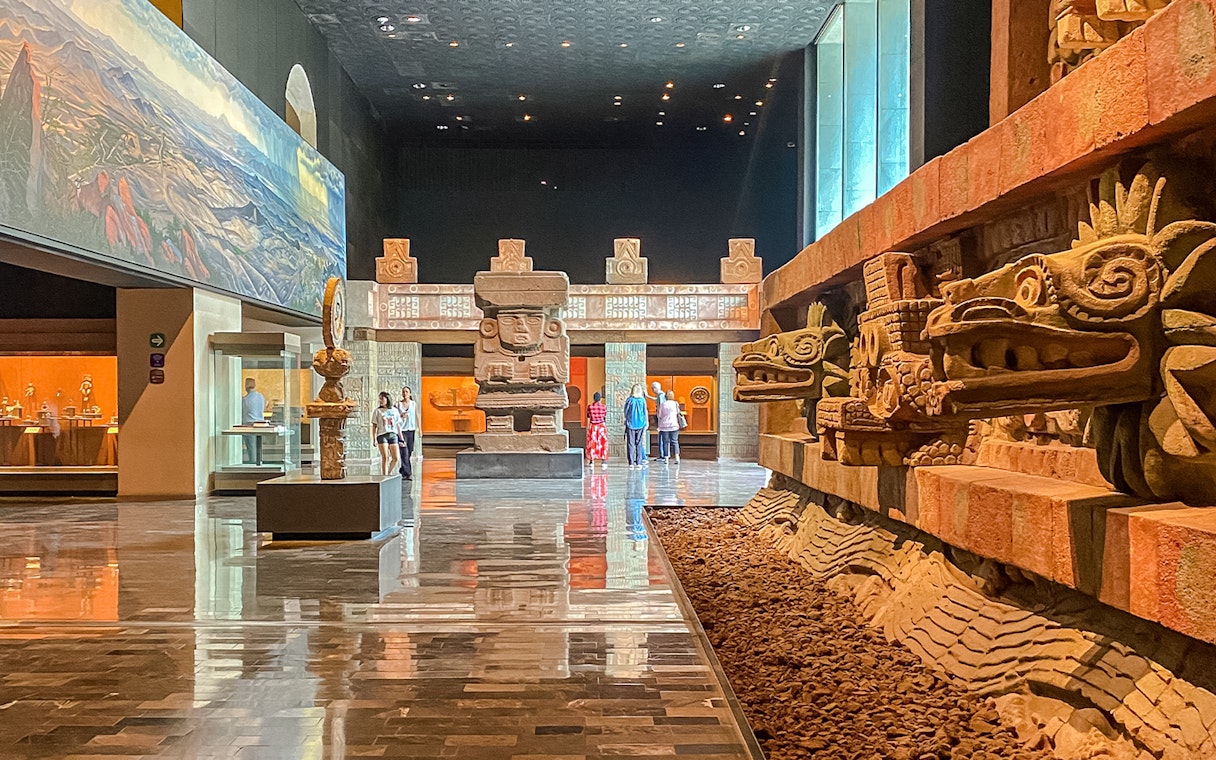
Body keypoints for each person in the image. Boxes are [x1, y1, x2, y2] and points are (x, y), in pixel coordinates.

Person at [371, 391, 402, 477]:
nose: (380, 400)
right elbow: (374, 425)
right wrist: (374, 439)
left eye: (382, 398)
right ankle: (384, 476)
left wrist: (401, 438)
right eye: (380, 399)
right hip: (382, 434)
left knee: (396, 458)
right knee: (385, 457)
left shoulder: (394, 410)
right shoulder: (378, 411)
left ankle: (388, 473)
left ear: (387, 399)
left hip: (393, 434)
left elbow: (398, 425)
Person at [623, 383, 648, 469]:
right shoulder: (642, 400)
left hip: (631, 423)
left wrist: (627, 418)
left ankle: (631, 463)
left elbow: (625, 412)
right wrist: (646, 422)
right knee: (639, 443)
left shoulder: (629, 400)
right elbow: (645, 412)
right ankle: (639, 463)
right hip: (641, 424)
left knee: (630, 443)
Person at [241, 378, 266, 464]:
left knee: (251, 447)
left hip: (249, 425)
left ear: (246, 386)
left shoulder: (245, 399)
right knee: (258, 447)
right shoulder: (261, 397)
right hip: (260, 424)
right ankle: (259, 462)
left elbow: (243, 412)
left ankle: (253, 463)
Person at [395, 385, 418, 480]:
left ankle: (403, 470)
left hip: (411, 430)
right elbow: (395, 417)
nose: (405, 393)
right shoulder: (397, 405)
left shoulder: (413, 404)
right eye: (403, 392)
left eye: (406, 392)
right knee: (404, 451)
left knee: (409, 450)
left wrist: (419, 428)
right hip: (402, 430)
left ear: (410, 394)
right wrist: (401, 415)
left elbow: (417, 415)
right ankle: (408, 473)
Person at [657, 389, 682, 465]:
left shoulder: (663, 404)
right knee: (675, 441)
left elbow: (660, 415)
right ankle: (677, 457)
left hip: (664, 426)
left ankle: (666, 458)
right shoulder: (675, 404)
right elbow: (678, 413)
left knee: (665, 442)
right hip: (674, 425)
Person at [585, 391, 608, 468]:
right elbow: (604, 416)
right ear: (600, 399)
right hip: (601, 426)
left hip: (593, 426)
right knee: (602, 443)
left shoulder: (590, 407)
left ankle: (592, 461)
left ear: (594, 398)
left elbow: (588, 415)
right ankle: (603, 460)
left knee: (592, 443)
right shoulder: (604, 407)